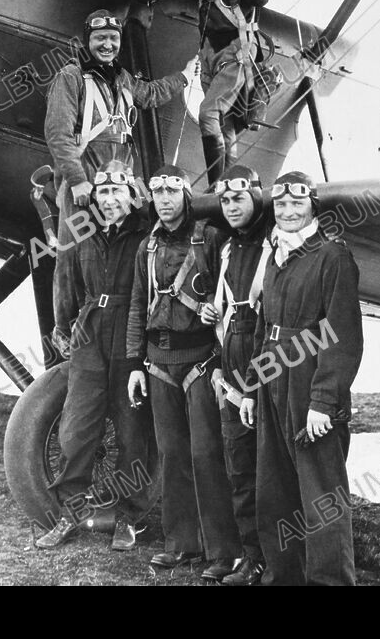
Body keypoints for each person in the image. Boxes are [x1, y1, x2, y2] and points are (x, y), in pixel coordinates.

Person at [238, 171, 363, 586]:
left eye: (297, 204)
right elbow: (264, 327)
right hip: (273, 375)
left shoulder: (332, 256)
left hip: (309, 380)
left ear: (312, 205)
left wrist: (323, 402)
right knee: (274, 490)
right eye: (280, 205)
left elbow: (341, 332)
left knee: (321, 495)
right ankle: (284, 576)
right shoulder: (276, 254)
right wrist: (252, 391)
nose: (288, 212)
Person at [46, 9, 195, 344]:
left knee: (123, 250)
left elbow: (149, 94)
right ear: (88, 41)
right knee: (73, 252)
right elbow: (58, 134)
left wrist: (184, 77)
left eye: (113, 39)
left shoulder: (122, 79)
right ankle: (64, 330)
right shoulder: (71, 77)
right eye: (100, 38)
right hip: (84, 180)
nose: (108, 44)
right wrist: (78, 179)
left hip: (120, 181)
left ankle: (123, 329)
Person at [126, 164, 240, 581]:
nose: (165, 200)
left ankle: (224, 551)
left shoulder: (210, 239)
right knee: (172, 455)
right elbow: (139, 307)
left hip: (200, 362)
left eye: (172, 192)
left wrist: (216, 314)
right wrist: (135, 365)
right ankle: (180, 544)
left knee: (206, 455)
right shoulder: (148, 248)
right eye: (157, 193)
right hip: (158, 365)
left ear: (186, 197)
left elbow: (233, 291)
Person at [36, 161, 154, 552]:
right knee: (76, 427)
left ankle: (128, 518)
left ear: (129, 196)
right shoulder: (82, 229)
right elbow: (66, 277)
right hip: (90, 326)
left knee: (131, 429)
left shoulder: (144, 231)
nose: (108, 199)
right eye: (102, 192)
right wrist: (63, 324)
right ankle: (70, 511)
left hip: (130, 327)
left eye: (117, 192)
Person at [160, 0, 271, 185]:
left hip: (237, 46)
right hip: (211, 49)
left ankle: (218, 187)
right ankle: (229, 184)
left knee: (208, 113)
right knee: (225, 123)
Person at [199, 165, 271, 585]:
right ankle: (252, 556)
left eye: (239, 198)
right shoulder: (226, 249)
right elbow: (223, 309)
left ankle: (282, 556)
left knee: (273, 472)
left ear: (257, 197)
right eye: (224, 201)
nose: (231, 207)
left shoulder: (276, 244)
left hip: (266, 364)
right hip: (231, 368)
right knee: (240, 471)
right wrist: (213, 311)